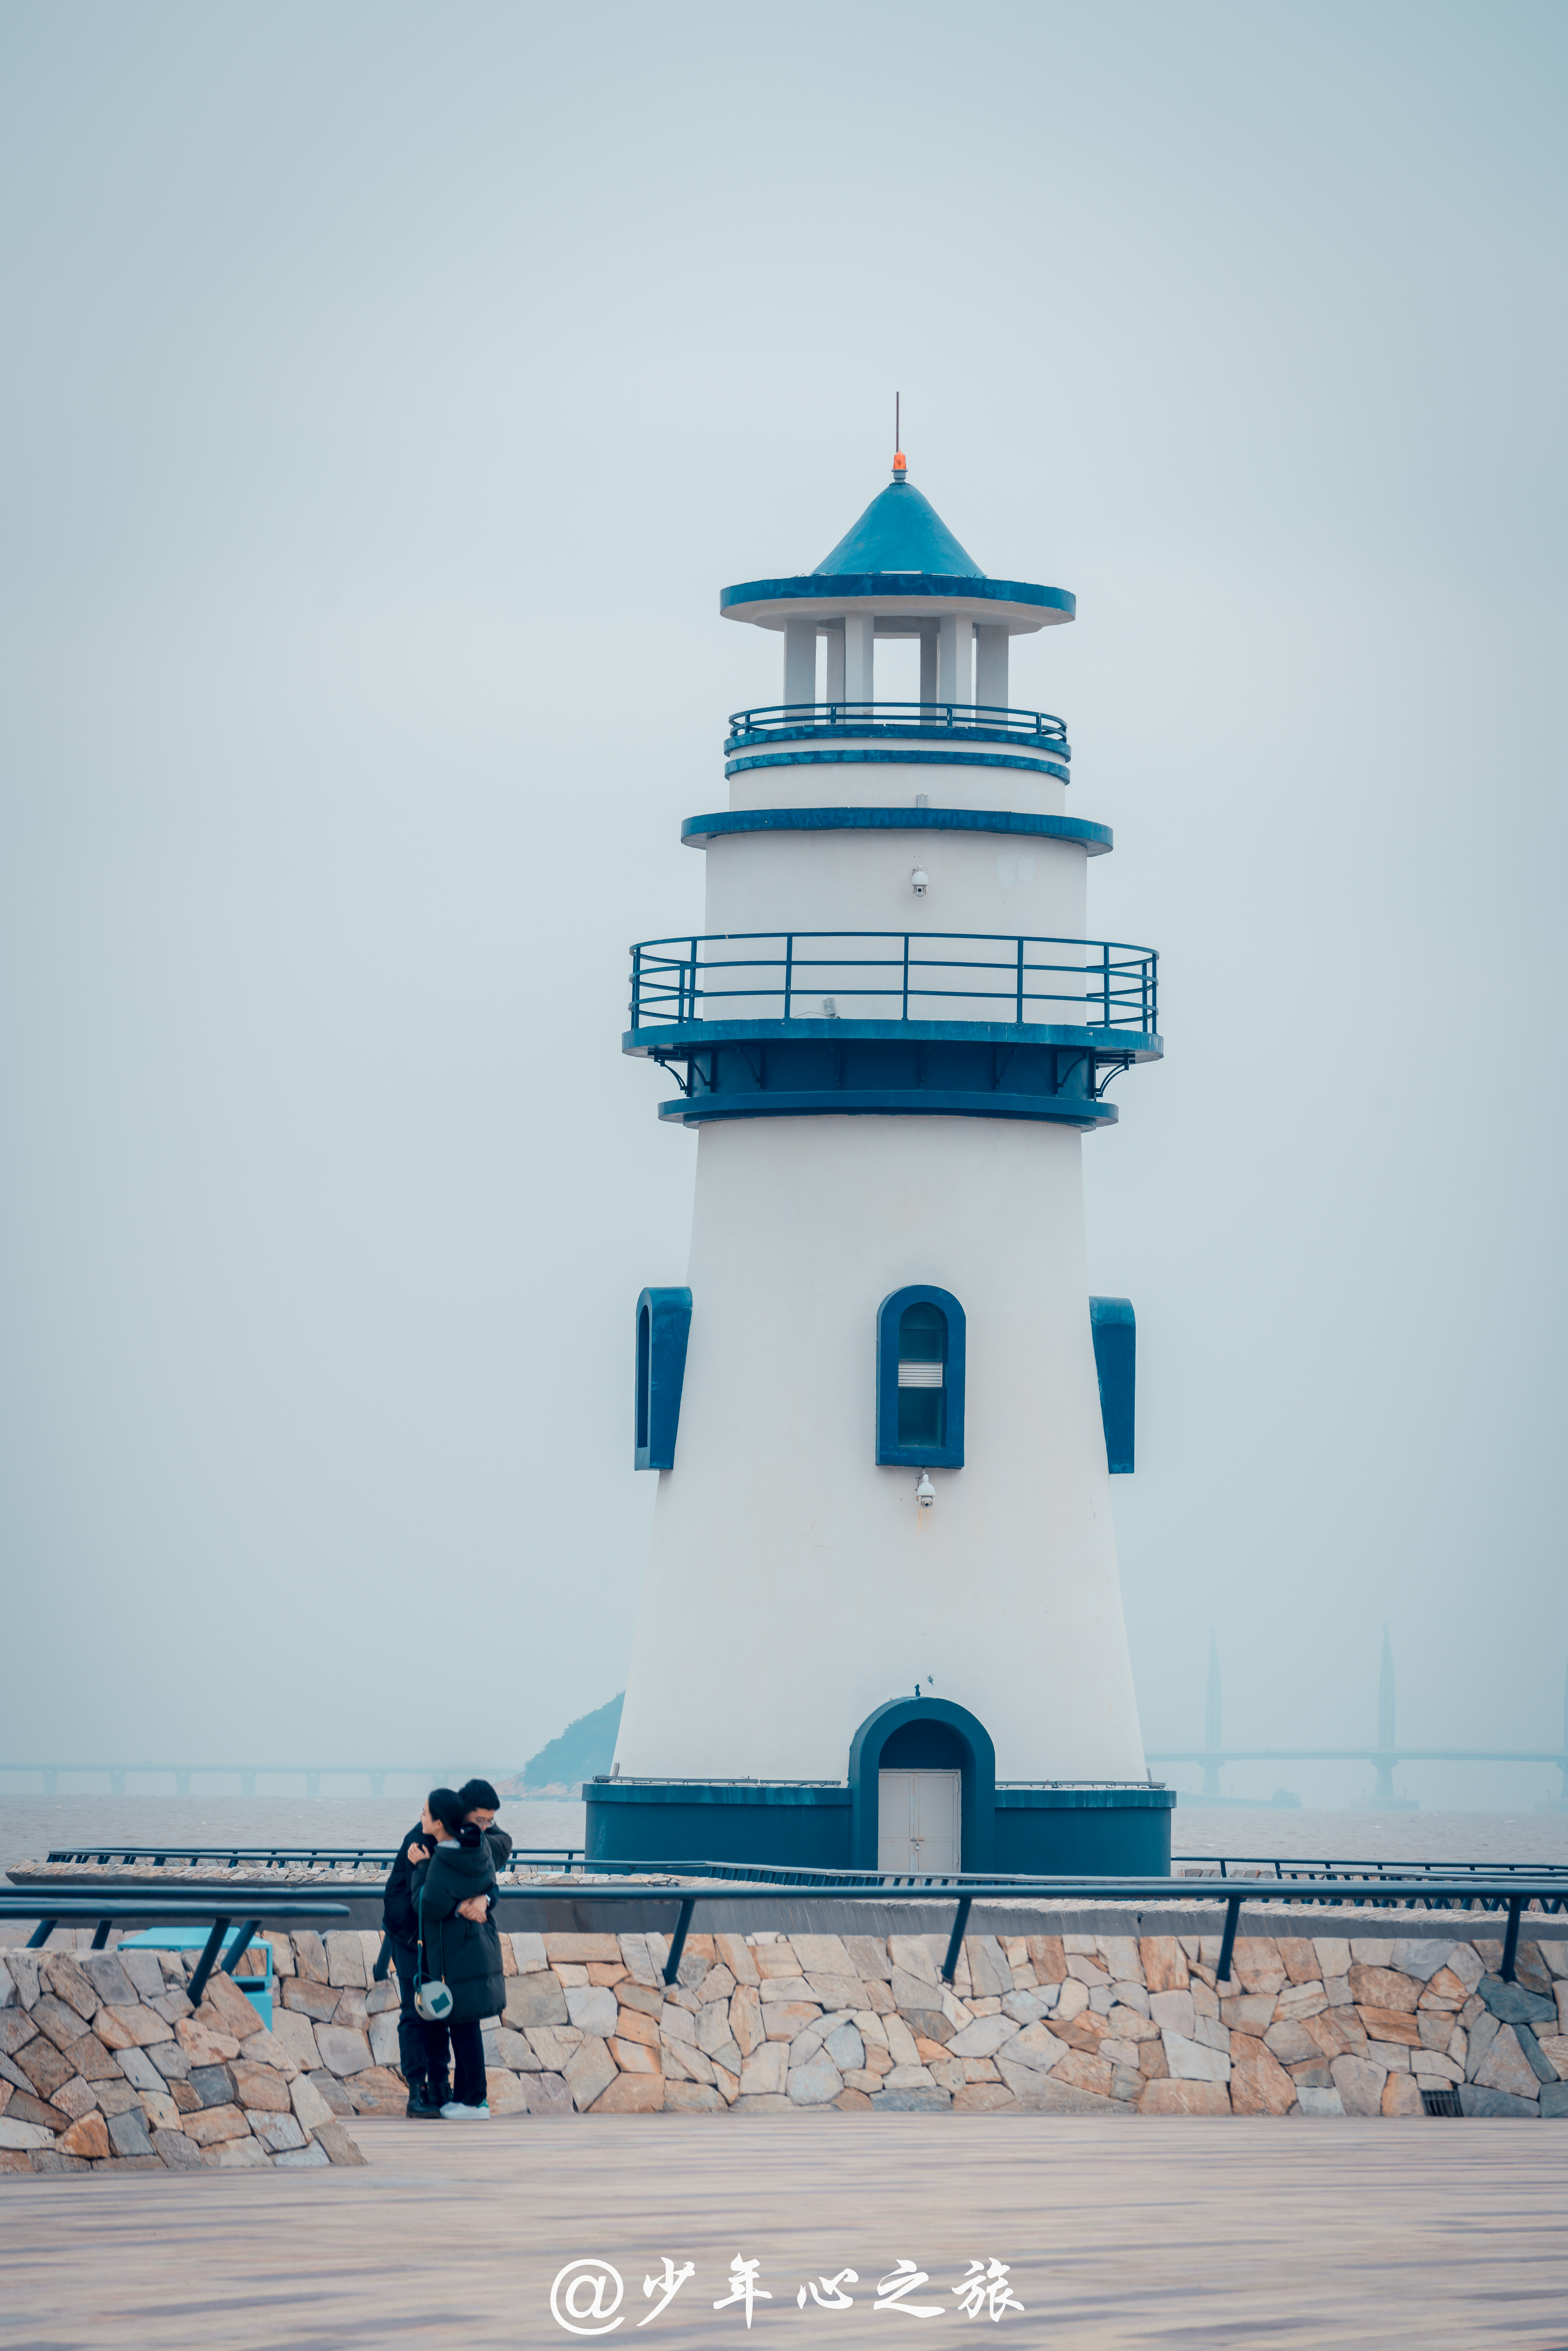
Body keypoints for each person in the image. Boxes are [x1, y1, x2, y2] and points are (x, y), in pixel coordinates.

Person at [383, 1780, 511, 2117]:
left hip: (442, 1939)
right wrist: (457, 1907)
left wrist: (485, 1898)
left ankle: (441, 2088)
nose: (486, 1826)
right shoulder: (424, 1838)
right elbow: (419, 1899)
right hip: (411, 1935)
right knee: (417, 2011)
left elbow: (492, 1860)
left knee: (442, 2011)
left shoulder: (471, 1838)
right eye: (481, 1819)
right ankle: (417, 2091)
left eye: (489, 1821)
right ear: (459, 1811)